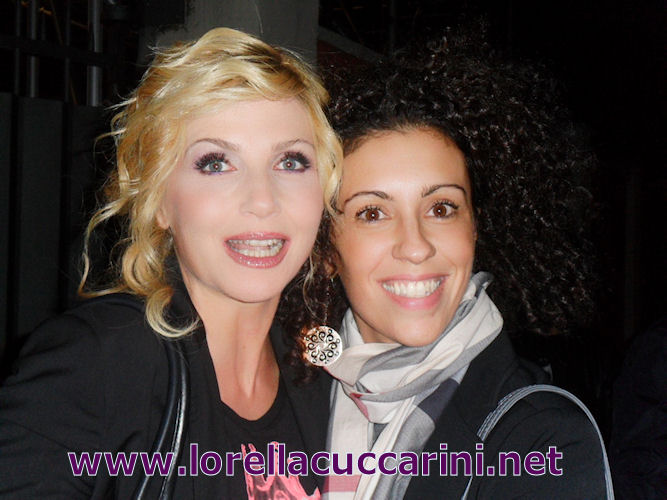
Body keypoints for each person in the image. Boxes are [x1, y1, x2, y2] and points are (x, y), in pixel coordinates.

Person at [0, 27, 340, 499]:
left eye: (291, 162)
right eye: (216, 163)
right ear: (159, 201)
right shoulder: (97, 364)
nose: (263, 201)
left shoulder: (323, 372)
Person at [290, 36, 611, 499]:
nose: (415, 246)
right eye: (372, 213)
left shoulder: (541, 440)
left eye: (441, 208)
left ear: (475, 228)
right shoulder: (290, 401)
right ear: (325, 250)